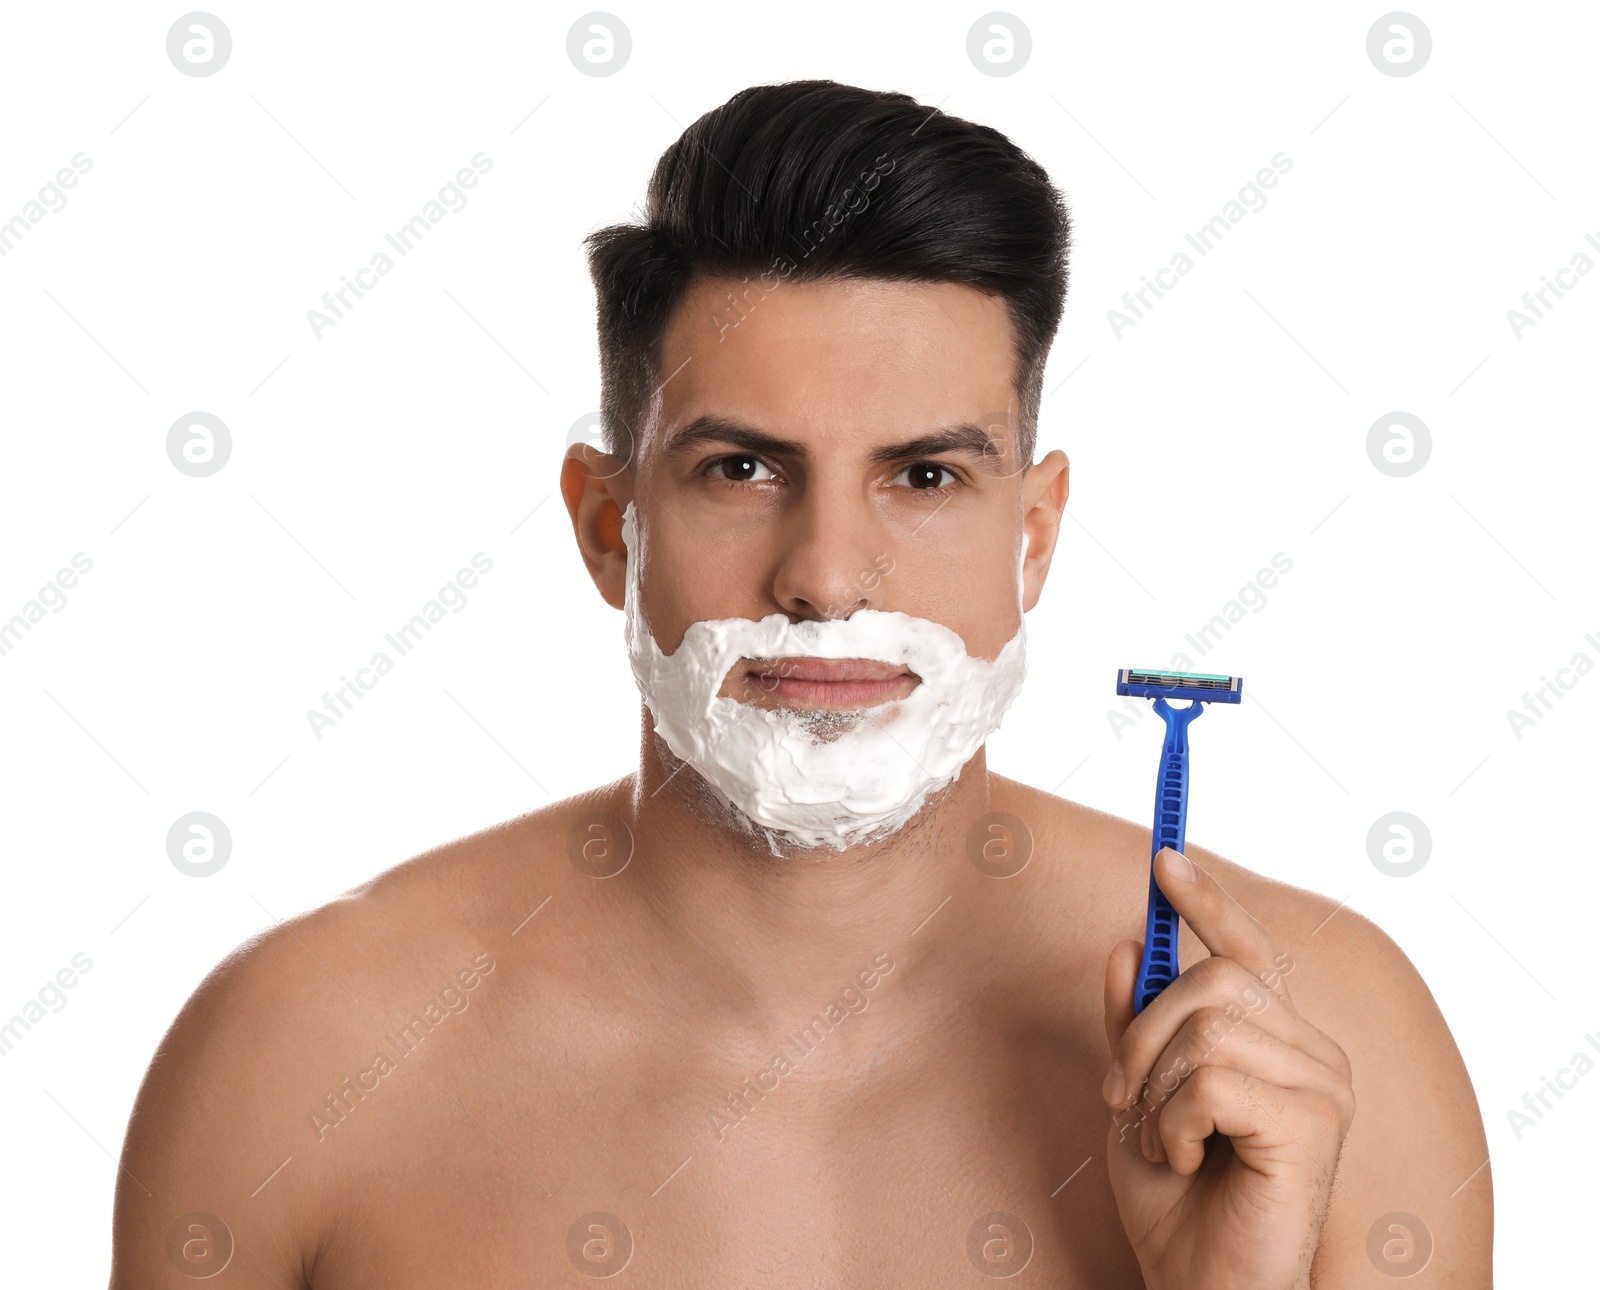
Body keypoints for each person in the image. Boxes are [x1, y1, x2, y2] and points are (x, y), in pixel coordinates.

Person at [110, 80, 1491, 1287]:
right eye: (742, 468)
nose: (828, 574)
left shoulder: (1323, 1050)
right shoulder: (299, 1062)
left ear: (1036, 533)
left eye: (927, 474)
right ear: (608, 524)